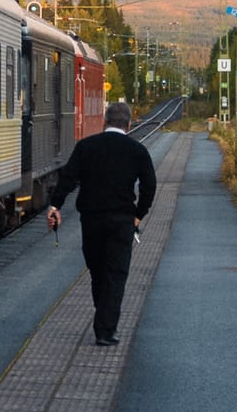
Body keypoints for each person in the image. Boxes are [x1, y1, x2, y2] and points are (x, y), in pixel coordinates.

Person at [45, 100, 157, 346]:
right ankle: (106, 331)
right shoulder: (137, 150)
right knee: (115, 275)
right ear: (128, 125)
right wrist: (140, 213)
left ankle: (103, 320)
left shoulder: (86, 147)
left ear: (105, 122)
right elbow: (150, 185)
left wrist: (55, 206)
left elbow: (68, 178)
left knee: (98, 272)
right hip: (122, 221)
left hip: (92, 221)